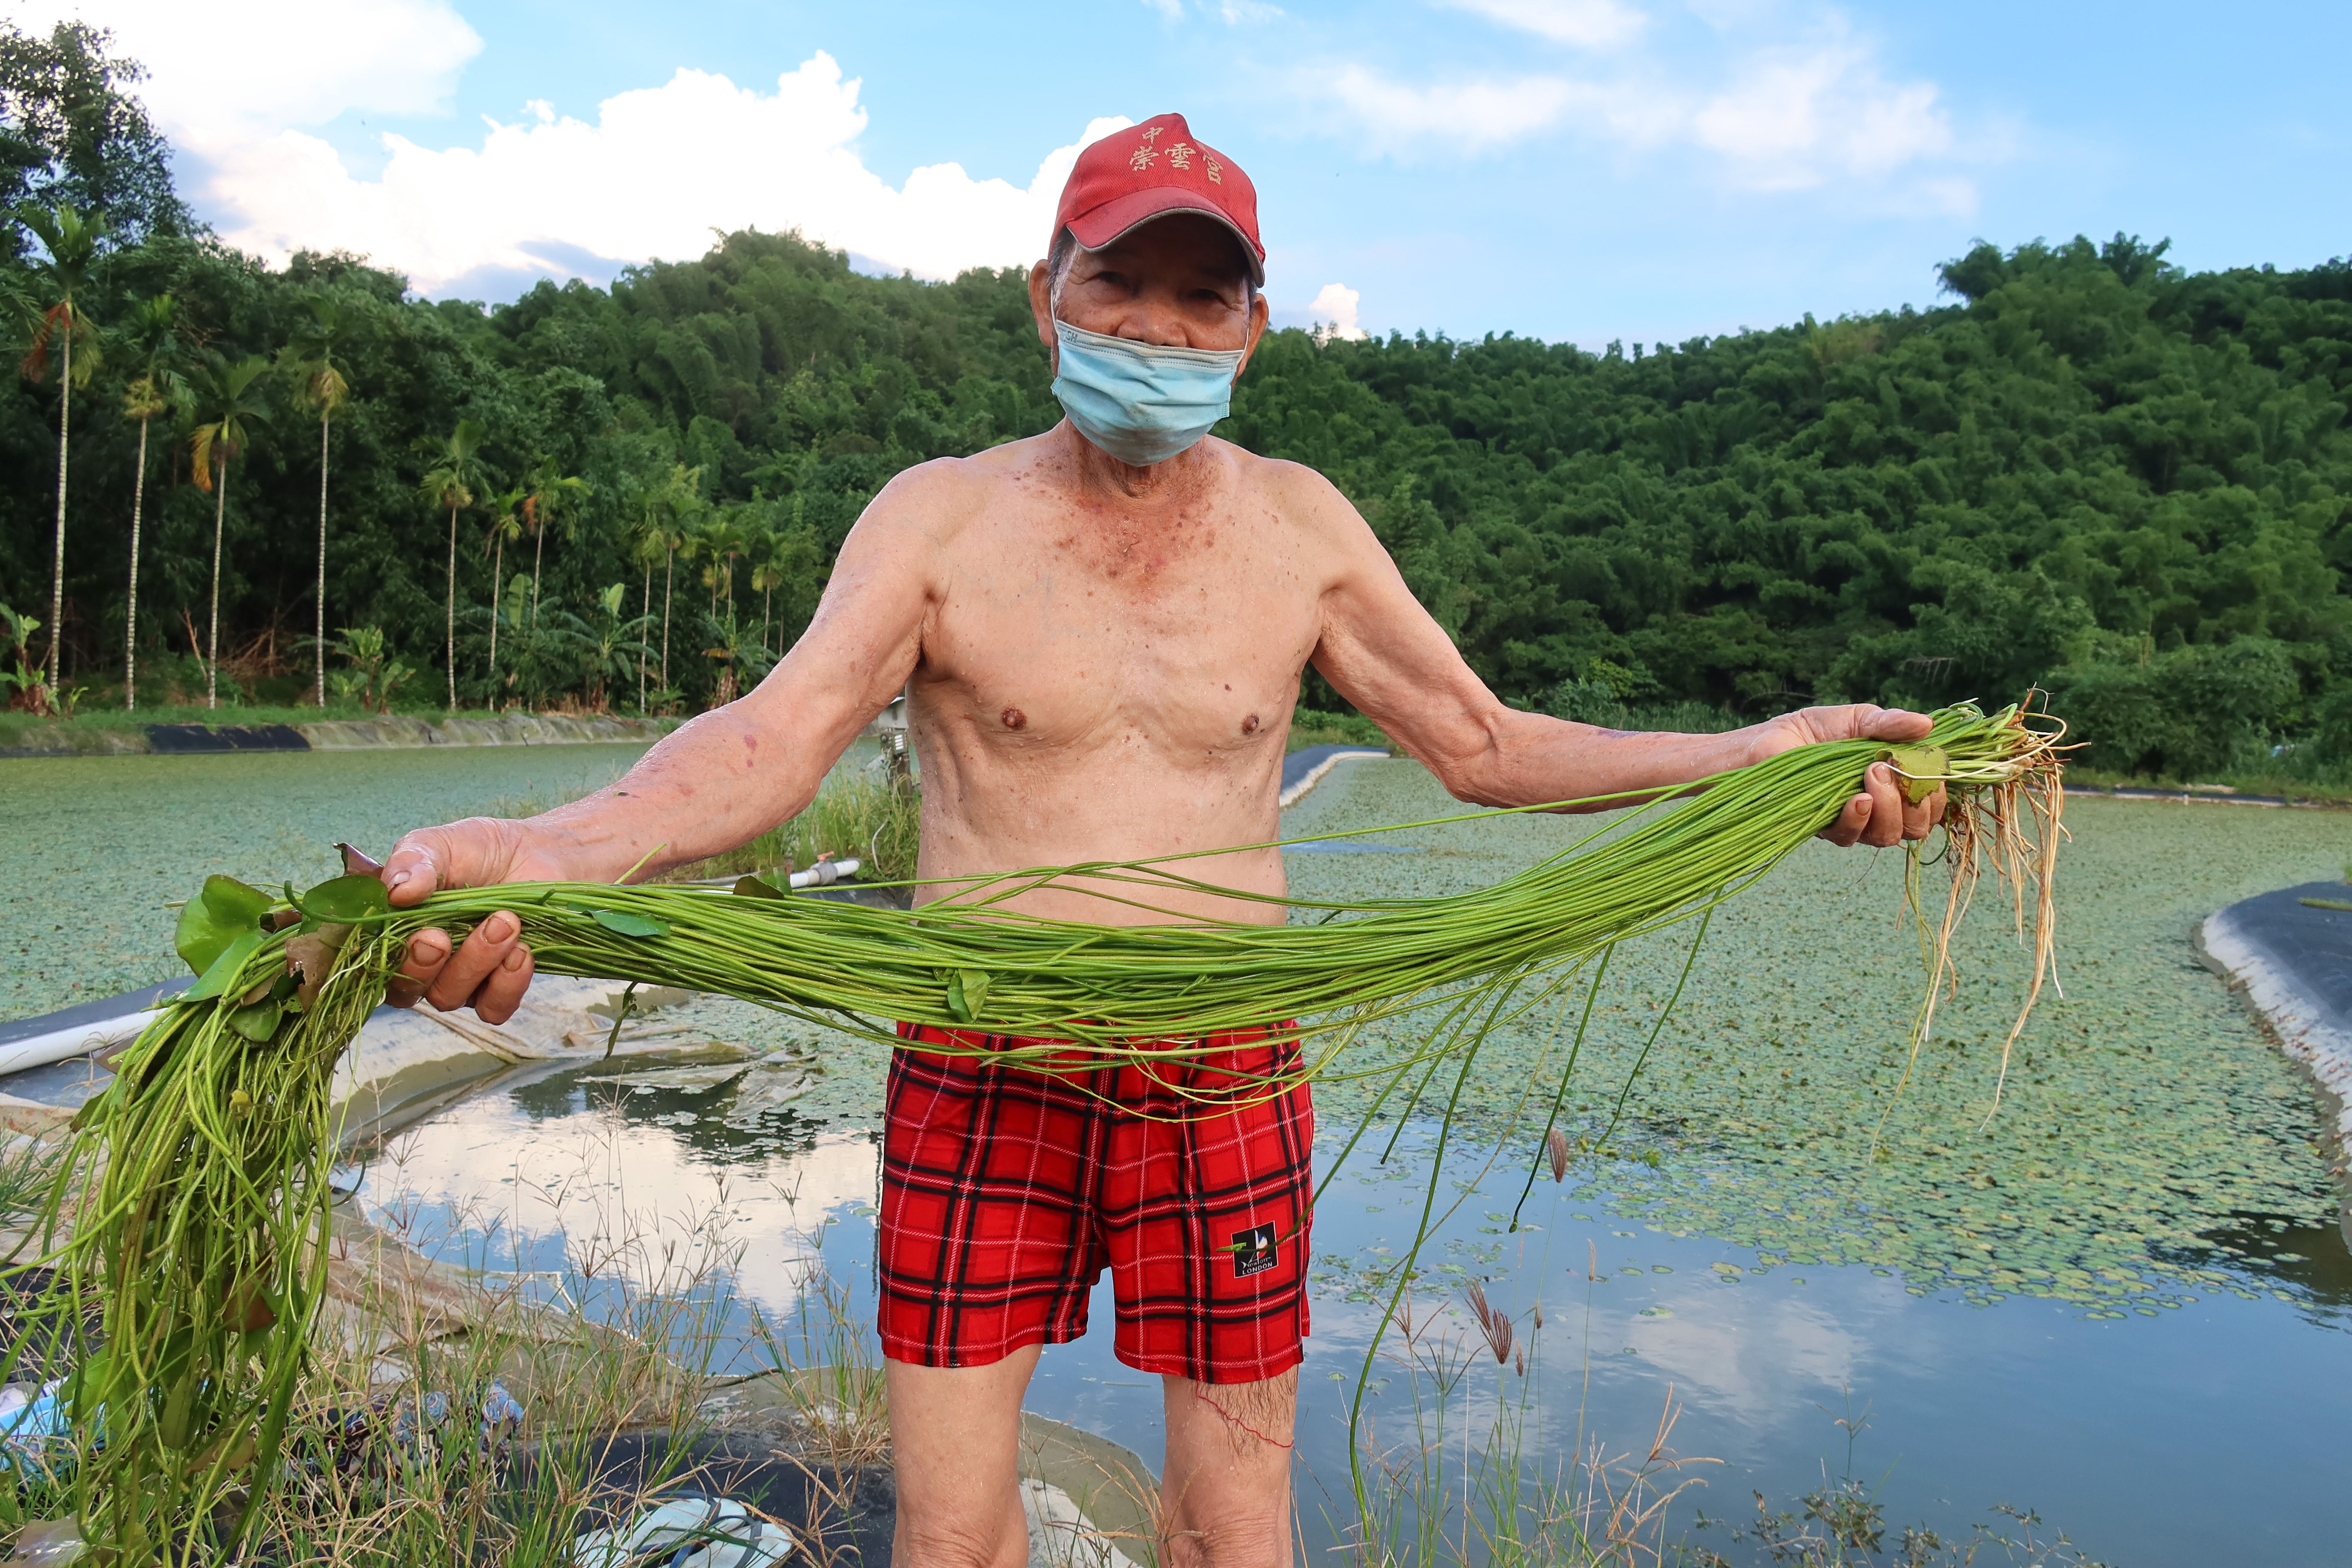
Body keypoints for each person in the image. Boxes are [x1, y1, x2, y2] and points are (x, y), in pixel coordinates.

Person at [371, 113, 1947, 1568]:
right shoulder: (940, 519)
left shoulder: (1301, 529)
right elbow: (771, 742)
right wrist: (552, 845)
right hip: (983, 1054)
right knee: (952, 1533)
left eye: (1206, 298)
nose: (1161, 329)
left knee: (1232, 1527)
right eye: (1122, 281)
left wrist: (1758, 753)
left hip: (1223, 1066)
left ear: (1254, 329)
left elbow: (1486, 745)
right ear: (1045, 295)